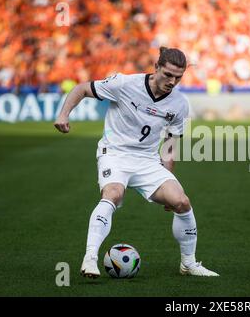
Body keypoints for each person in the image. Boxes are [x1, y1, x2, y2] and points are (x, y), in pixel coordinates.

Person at [54, 47, 219, 278]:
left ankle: (188, 264)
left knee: (181, 202)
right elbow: (82, 89)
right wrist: (63, 115)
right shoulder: (124, 84)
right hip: (115, 153)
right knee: (113, 194)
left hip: (147, 161)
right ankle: (90, 257)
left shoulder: (180, 103)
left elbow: (170, 146)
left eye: (178, 77)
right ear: (156, 67)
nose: (172, 81)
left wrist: (169, 178)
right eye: (168, 75)